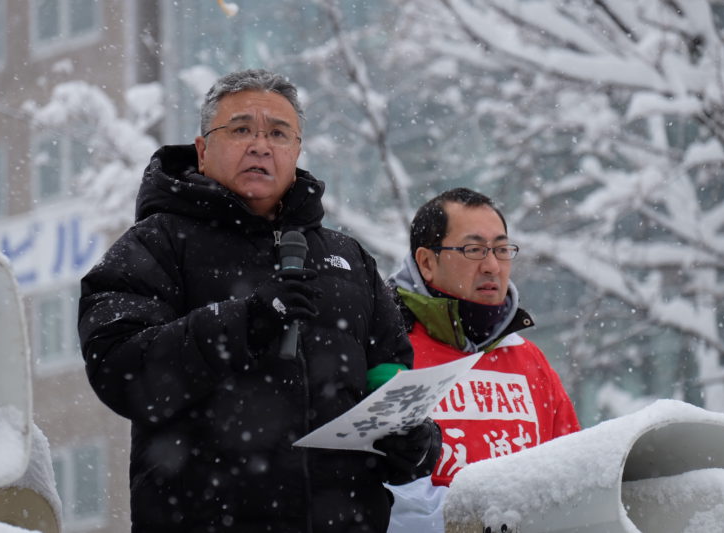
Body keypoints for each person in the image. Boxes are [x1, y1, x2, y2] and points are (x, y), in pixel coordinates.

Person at [78, 69, 441, 533]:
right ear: (203, 148)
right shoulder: (154, 245)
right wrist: (244, 322)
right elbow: (119, 368)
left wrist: (415, 442)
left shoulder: (350, 260)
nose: (260, 145)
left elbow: (391, 377)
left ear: (296, 151)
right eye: (241, 129)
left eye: (278, 132)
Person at [386, 188, 580, 532]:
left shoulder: (528, 358)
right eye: (473, 249)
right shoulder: (386, 350)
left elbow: (575, 475)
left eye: (502, 250)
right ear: (427, 262)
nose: (492, 265)